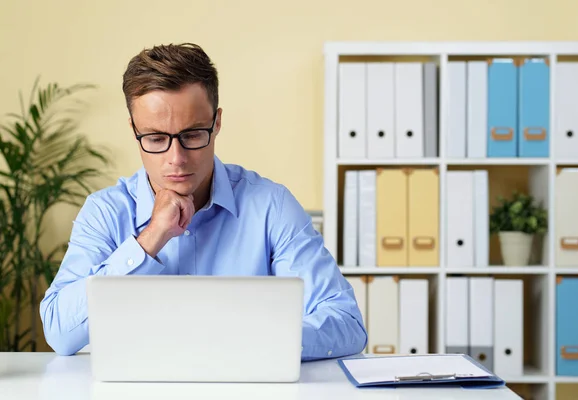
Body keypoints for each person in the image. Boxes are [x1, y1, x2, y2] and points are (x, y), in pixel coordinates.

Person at [39, 42, 368, 360]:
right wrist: (149, 240)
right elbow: (60, 332)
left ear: (217, 122)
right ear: (134, 130)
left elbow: (346, 324)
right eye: (155, 138)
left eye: (193, 135)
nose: (176, 159)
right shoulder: (105, 212)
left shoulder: (271, 206)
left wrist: (247, 340)